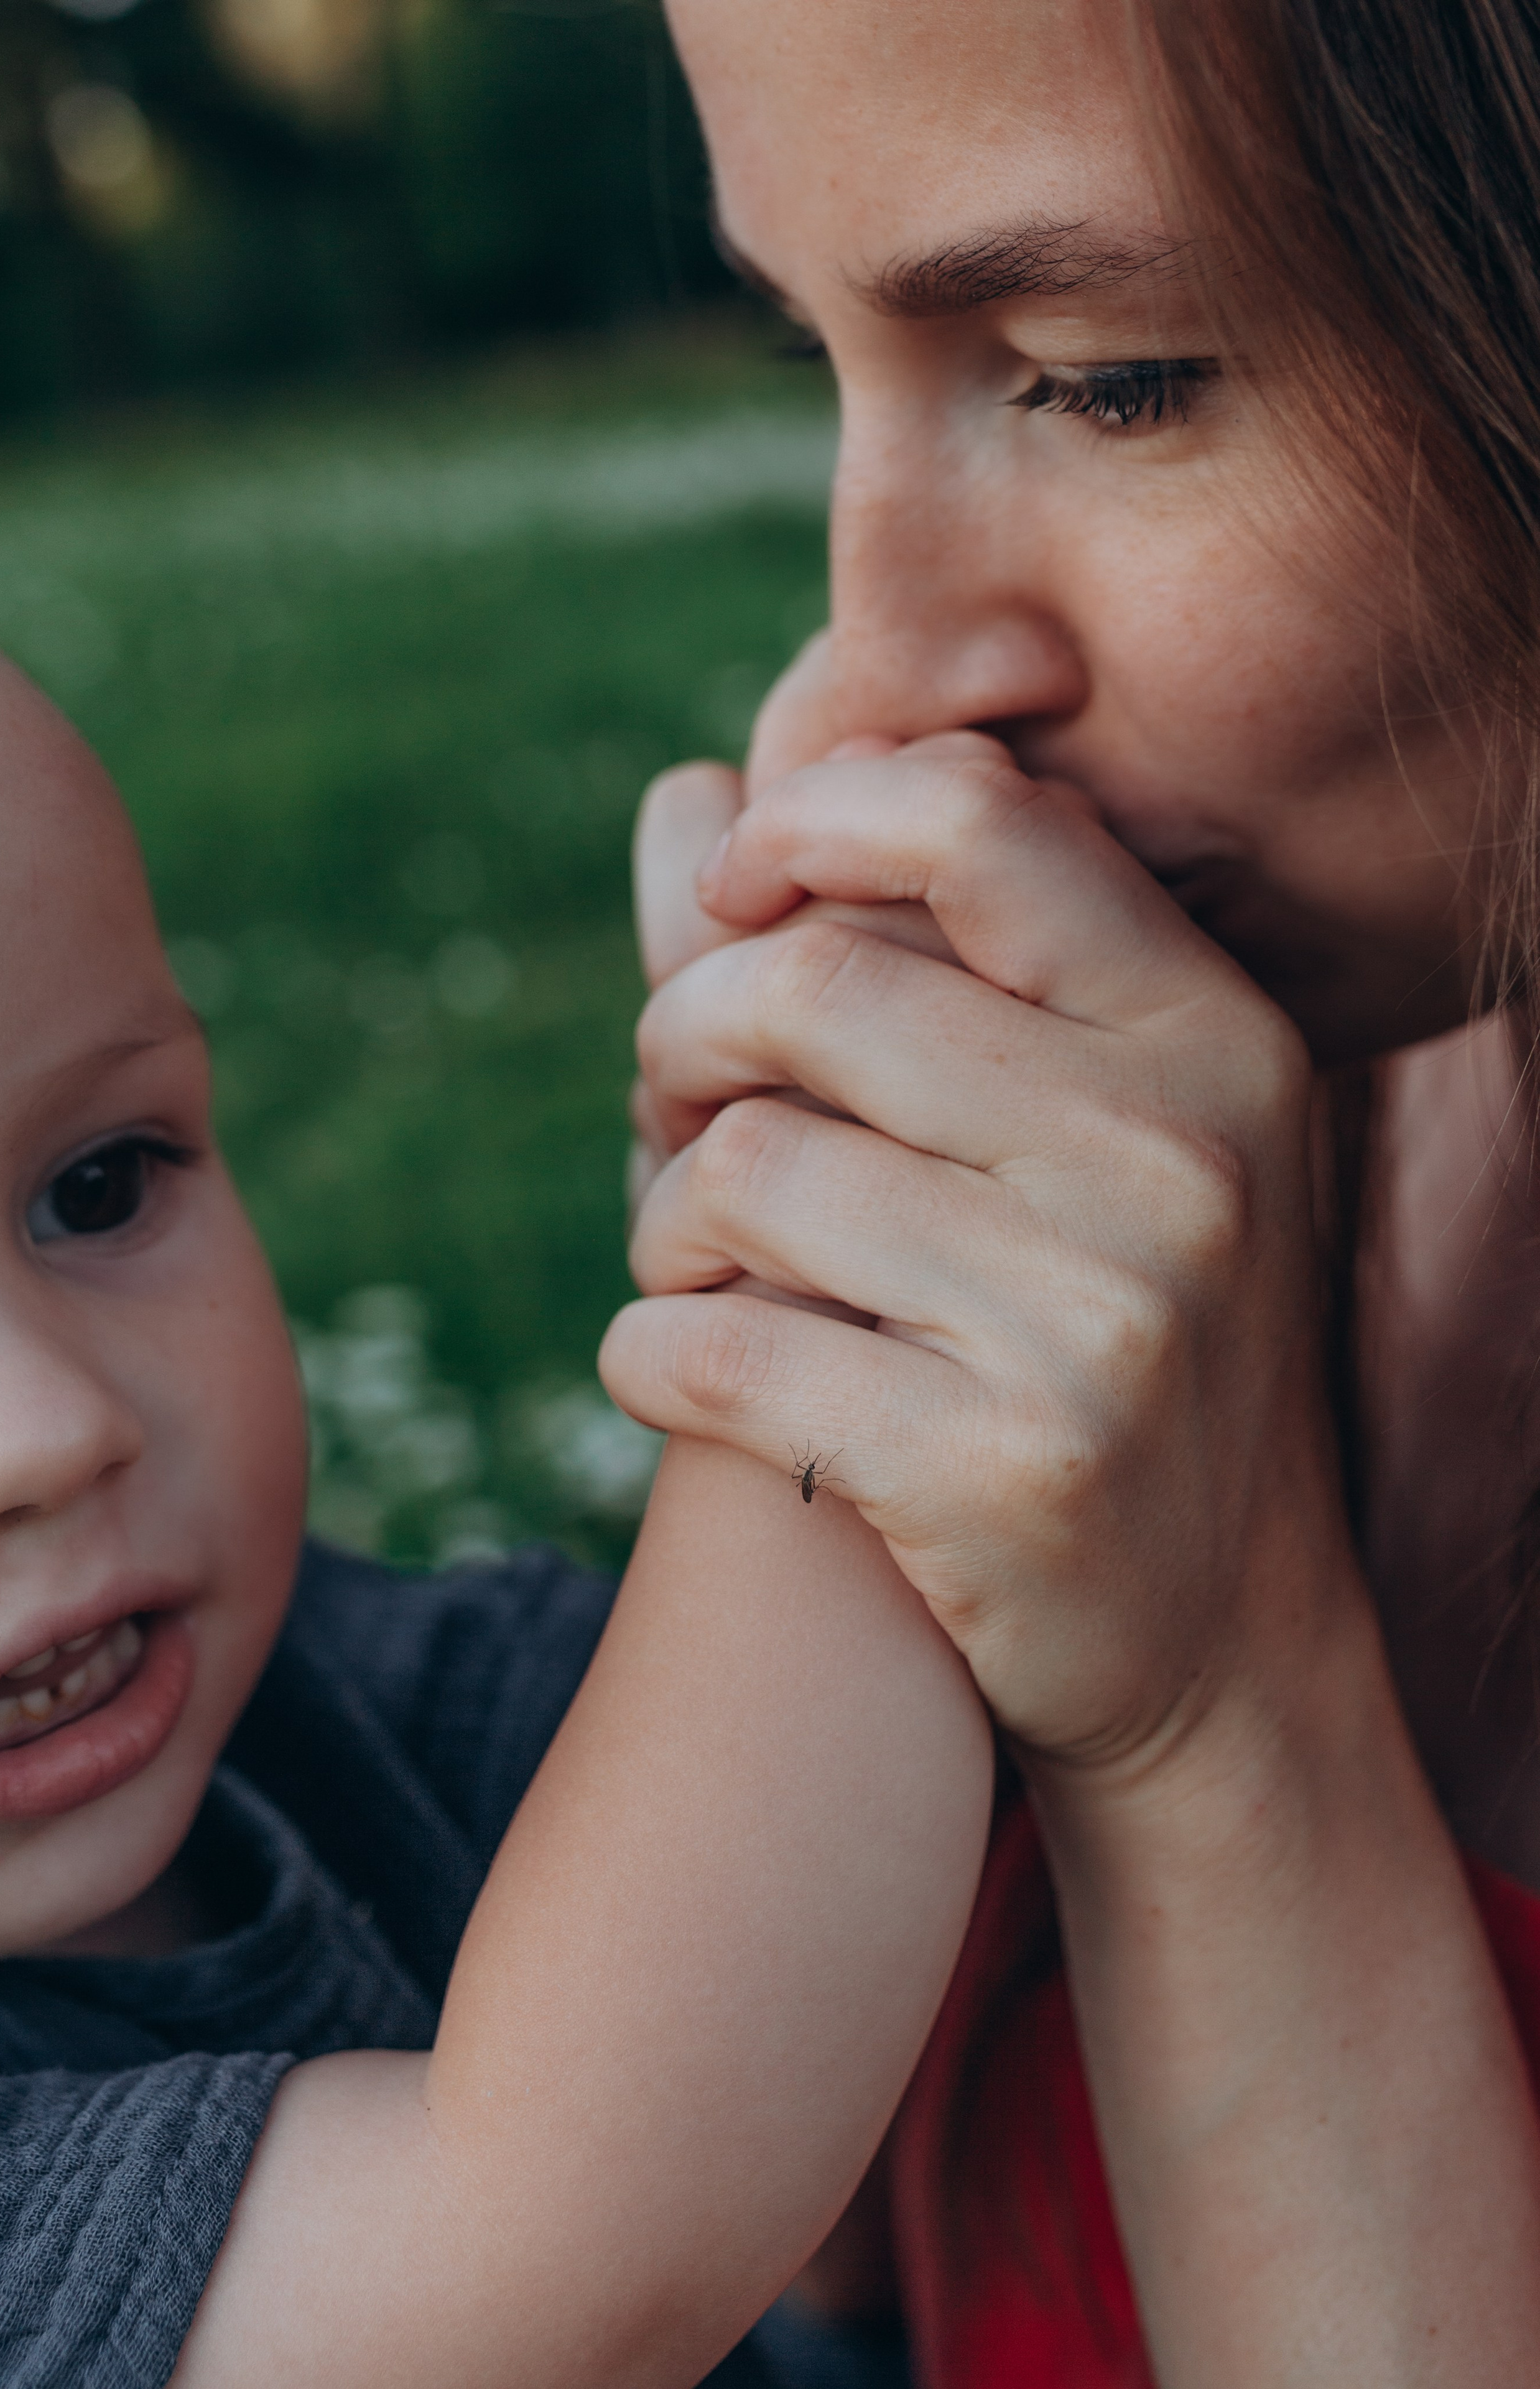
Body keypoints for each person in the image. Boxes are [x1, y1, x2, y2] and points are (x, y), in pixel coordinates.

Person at [601, 0, 1540, 2379]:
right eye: (812, 351)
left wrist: (1220, 1696)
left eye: (1106, 376)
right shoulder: (1266, 1084)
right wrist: (823, 1506)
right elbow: (832, 2285)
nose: (875, 684)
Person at [0, 611, 995, 2389]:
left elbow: (764, 1798)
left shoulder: (315, 1691)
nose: (34, 1432)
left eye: (98, 1184)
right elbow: (570, 2242)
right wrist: (816, 1239)